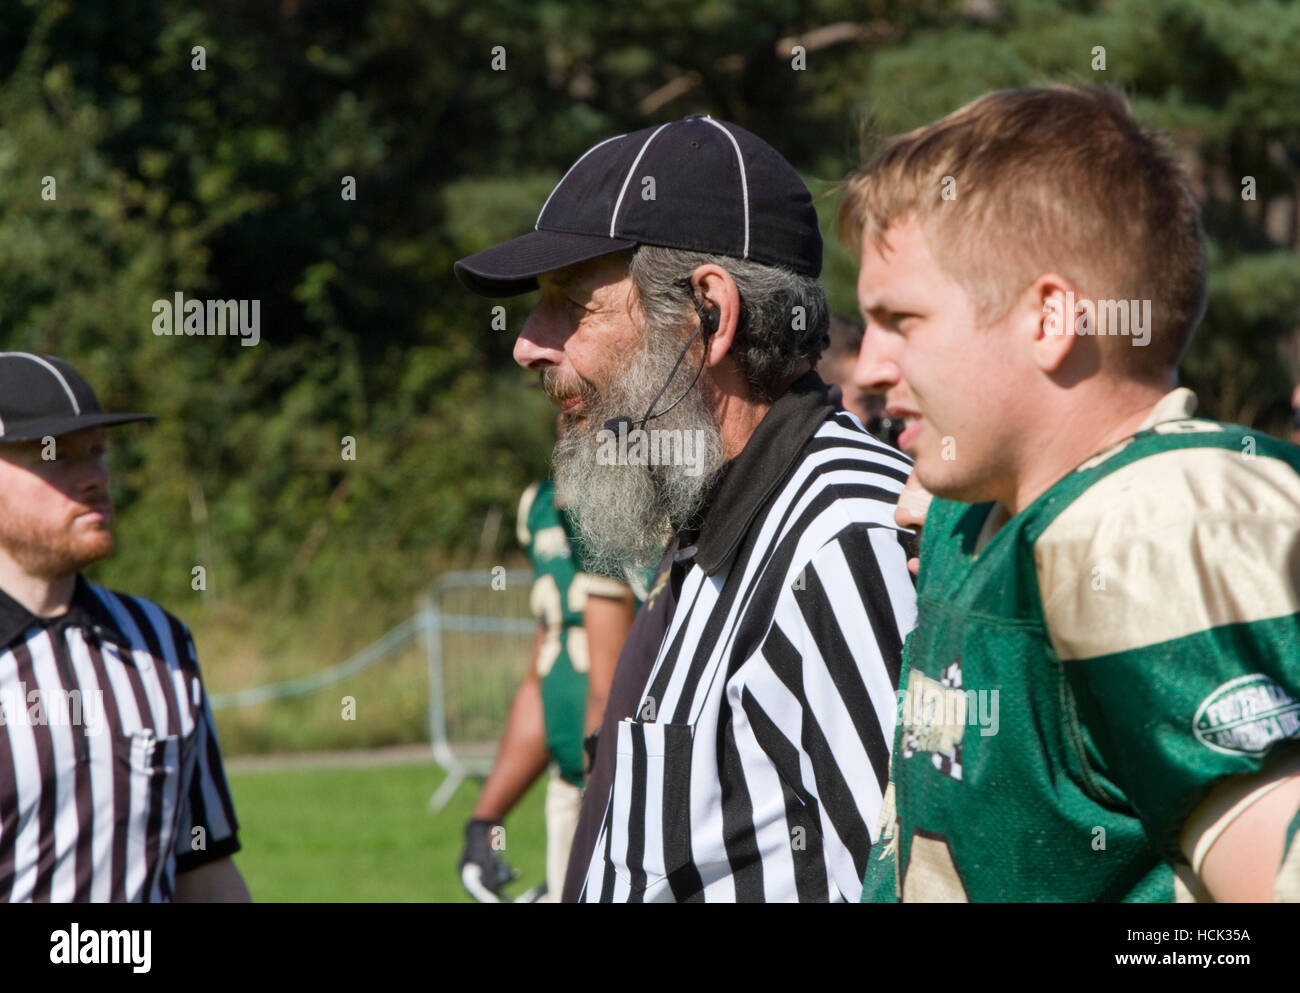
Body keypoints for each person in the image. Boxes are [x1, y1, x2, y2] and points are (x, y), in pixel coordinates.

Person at [843, 84, 1300, 902]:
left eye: (902, 319)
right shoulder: (975, 516)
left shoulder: (1148, 524)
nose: (871, 367)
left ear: (1051, 318)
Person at [455, 115, 917, 902]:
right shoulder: (716, 521)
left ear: (708, 313)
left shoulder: (842, 539)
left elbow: (905, 882)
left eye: (571, 303)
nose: (527, 344)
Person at [0, 353, 248, 902]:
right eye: (56, 456)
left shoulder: (160, 641)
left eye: (97, 453)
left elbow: (203, 871)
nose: (94, 479)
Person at [458, 468, 639, 902]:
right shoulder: (539, 503)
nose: (563, 404)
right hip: (570, 785)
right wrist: (487, 817)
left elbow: (612, 674)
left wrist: (604, 795)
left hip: (622, 788)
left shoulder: (632, 495)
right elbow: (545, 670)